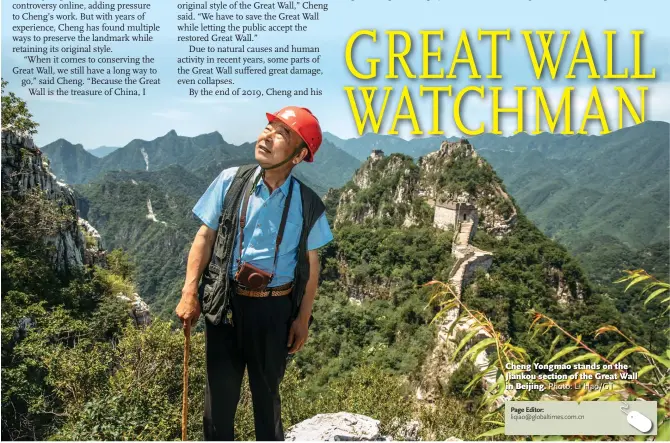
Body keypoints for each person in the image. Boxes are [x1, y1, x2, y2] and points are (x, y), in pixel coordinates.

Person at [175, 106, 333, 441]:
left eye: (282, 133)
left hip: (274, 311)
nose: (267, 136)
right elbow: (205, 237)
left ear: (299, 155)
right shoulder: (230, 182)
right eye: (269, 127)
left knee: (266, 399)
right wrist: (190, 292)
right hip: (226, 303)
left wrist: (303, 319)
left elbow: (312, 266)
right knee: (218, 402)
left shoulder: (309, 205)